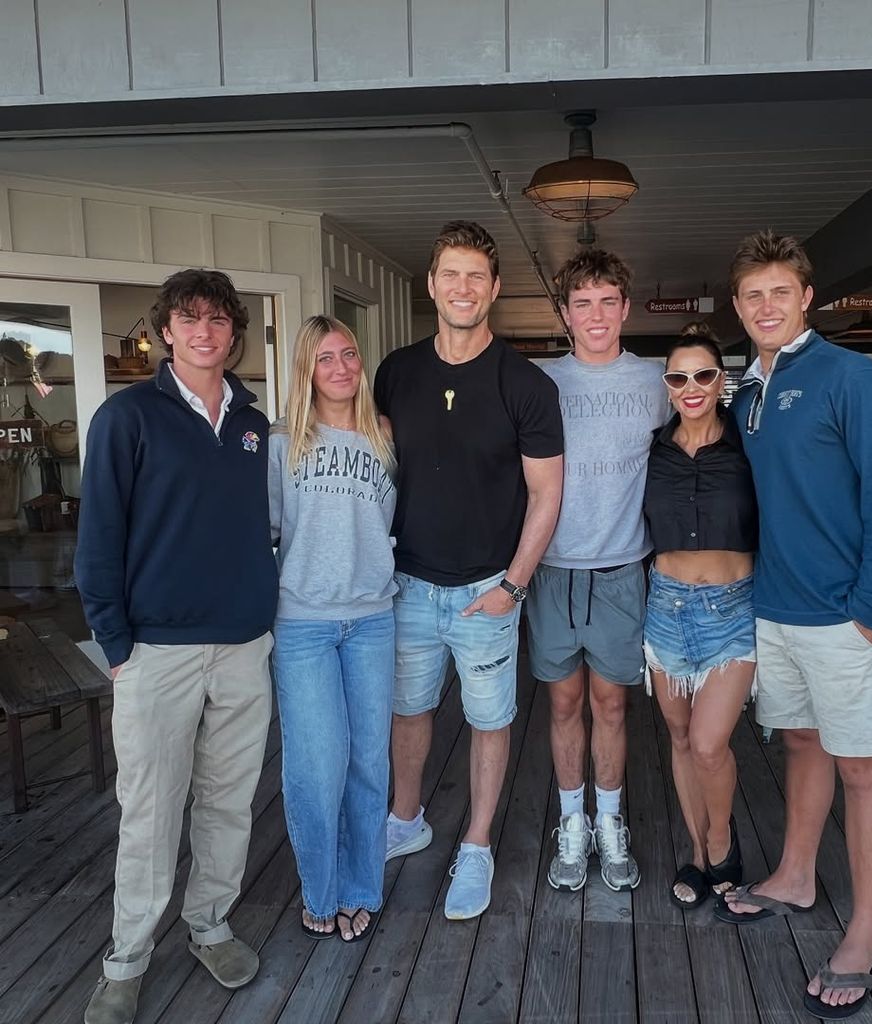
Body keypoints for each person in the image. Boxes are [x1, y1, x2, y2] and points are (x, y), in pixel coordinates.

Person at [717, 231, 872, 1021]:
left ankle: (865, 932)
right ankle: (797, 876)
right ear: (738, 306)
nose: (766, 306)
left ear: (806, 297)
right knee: (801, 744)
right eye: (753, 295)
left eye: (781, 292)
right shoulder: (747, 394)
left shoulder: (852, 378)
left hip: (846, 616)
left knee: (864, 769)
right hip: (775, 608)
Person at [75, 270, 278, 1024]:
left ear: (233, 332)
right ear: (166, 330)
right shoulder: (127, 417)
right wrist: (116, 643)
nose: (204, 331)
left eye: (218, 319)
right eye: (189, 319)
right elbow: (98, 538)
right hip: (156, 652)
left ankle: (210, 925)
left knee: (228, 802)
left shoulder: (254, 423)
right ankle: (126, 961)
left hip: (243, 646)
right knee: (151, 814)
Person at [373, 221, 564, 921]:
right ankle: (405, 819)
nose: (463, 287)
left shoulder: (526, 383)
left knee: (489, 720)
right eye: (450, 274)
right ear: (431, 285)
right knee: (408, 710)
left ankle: (477, 844)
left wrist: (513, 585)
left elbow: (547, 493)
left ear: (495, 287)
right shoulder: (396, 372)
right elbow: (373, 467)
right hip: (408, 583)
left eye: (476, 276)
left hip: (488, 588)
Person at [528, 248, 667, 893]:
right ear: (565, 313)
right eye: (582, 303)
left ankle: (610, 821)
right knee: (563, 702)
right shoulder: (539, 382)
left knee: (611, 704)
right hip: (551, 568)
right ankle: (571, 821)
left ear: (626, 308)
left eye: (608, 301)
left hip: (621, 570)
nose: (596, 315)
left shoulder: (656, 383)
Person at [268, 315, 397, 943]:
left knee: (369, 763)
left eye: (348, 354)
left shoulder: (385, 437)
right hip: (303, 624)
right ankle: (320, 891)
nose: (341, 367)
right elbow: (263, 532)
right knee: (318, 767)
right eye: (325, 358)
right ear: (307, 370)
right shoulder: (282, 441)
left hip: (373, 619)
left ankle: (360, 889)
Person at [642, 322, 757, 911]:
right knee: (683, 738)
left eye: (703, 375)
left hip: (733, 611)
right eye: (678, 377)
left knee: (711, 744)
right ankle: (695, 845)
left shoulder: (748, 446)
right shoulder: (652, 450)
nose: (691, 387)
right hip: (665, 608)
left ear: (720, 382)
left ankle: (721, 841)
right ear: (666, 385)